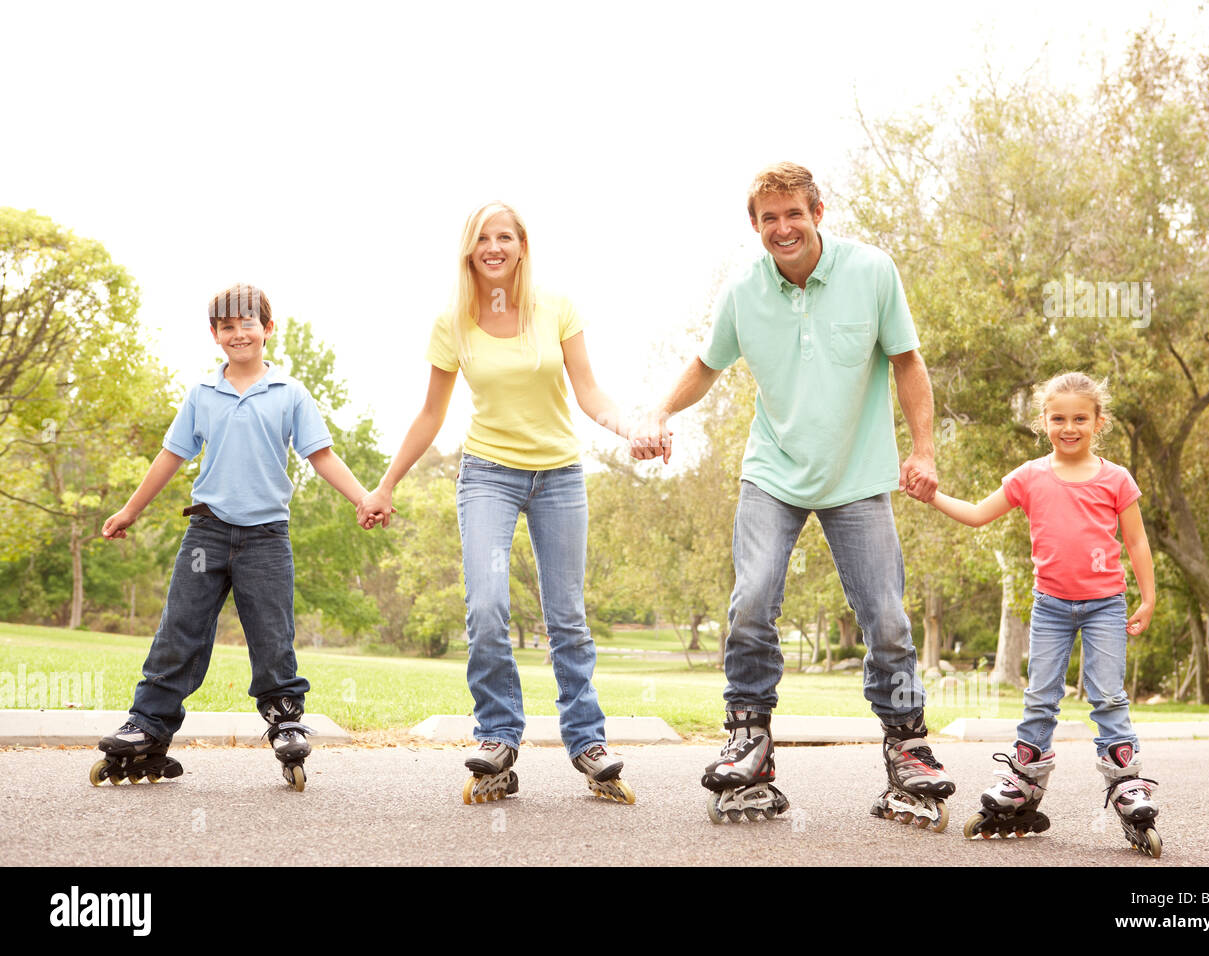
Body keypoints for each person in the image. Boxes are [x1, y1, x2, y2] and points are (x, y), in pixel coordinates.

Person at [633, 162, 955, 827]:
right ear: (755, 226)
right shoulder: (744, 290)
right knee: (752, 599)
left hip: (858, 474)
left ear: (818, 212)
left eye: (794, 214)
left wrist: (922, 450)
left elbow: (907, 362)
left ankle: (907, 746)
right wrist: (660, 411)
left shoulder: (871, 272)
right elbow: (707, 363)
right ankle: (750, 740)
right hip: (773, 472)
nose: (783, 228)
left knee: (887, 616)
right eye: (769, 218)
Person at [357, 201, 634, 805]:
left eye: (505, 236)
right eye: (483, 237)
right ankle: (497, 737)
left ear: (522, 246)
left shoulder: (556, 308)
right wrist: (386, 483)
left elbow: (588, 391)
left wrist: (628, 427)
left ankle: (587, 740)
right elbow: (431, 413)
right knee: (485, 605)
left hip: (559, 473)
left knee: (566, 616)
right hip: (488, 473)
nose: (494, 246)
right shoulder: (453, 322)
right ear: (469, 250)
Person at [95, 284, 371, 791]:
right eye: (227, 326)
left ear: (268, 329)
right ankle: (148, 725)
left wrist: (363, 498)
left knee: (272, 635)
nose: (238, 333)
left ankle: (285, 719)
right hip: (207, 532)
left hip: (267, 536)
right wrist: (131, 510)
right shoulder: (202, 394)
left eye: (248, 323)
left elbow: (321, 455)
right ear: (214, 336)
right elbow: (171, 456)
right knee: (180, 630)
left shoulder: (290, 393)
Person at [927, 371, 1161, 856]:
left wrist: (1148, 597)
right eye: (1059, 418)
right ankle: (1025, 781)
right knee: (1040, 696)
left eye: (1080, 418)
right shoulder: (1029, 476)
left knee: (1108, 695)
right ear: (1044, 422)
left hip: (1105, 605)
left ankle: (1126, 783)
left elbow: (1136, 542)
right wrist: (931, 495)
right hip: (1051, 606)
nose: (1069, 427)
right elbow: (975, 513)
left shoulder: (1117, 478)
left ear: (1099, 422)